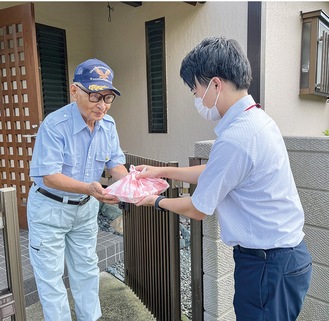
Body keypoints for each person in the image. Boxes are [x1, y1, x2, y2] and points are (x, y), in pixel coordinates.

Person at [135, 36, 312, 321]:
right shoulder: (257, 121)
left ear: (215, 84)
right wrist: (160, 172)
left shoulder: (237, 138)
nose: (197, 99)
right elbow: (216, 173)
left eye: (195, 90)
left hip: (268, 266)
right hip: (284, 260)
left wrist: (154, 201)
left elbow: (198, 208)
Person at [27, 58, 128, 321]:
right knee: (51, 279)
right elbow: (48, 176)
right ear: (75, 91)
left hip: (84, 210)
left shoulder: (109, 125)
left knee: (87, 270)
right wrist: (90, 188)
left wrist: (131, 187)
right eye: (95, 96)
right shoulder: (55, 124)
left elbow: (116, 165)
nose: (102, 105)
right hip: (49, 209)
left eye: (108, 97)